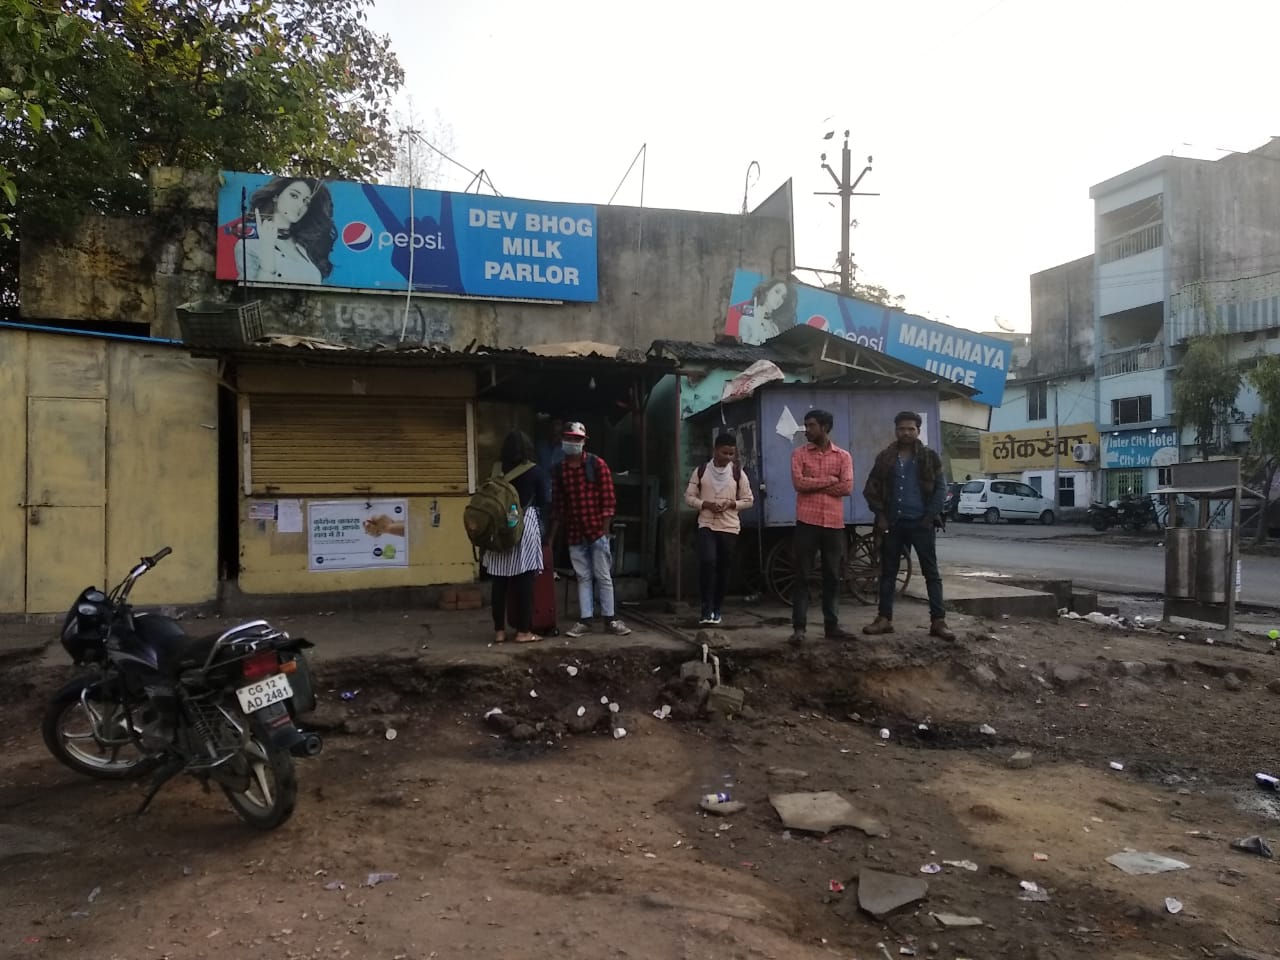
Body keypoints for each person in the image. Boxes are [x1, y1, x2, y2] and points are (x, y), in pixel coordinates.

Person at [861, 411, 956, 641]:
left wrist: (929, 516)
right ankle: (884, 619)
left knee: (931, 573)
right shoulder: (885, 458)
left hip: (921, 524)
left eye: (910, 429)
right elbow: (870, 489)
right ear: (895, 431)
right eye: (902, 428)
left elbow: (941, 490)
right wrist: (881, 515)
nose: (906, 432)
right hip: (893, 523)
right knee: (888, 573)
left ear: (918, 431)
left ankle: (938, 621)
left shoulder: (930, 457)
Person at [548, 421, 632, 638]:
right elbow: (558, 506)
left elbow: (608, 501)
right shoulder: (559, 471)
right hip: (575, 533)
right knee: (583, 577)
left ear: (584, 442)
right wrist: (552, 538)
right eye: (569, 439)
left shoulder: (597, 465)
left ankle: (610, 618)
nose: (572, 443)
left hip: (597, 531)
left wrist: (604, 532)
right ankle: (586, 619)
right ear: (562, 441)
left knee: (603, 576)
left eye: (576, 440)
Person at [788, 409, 854, 645]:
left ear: (825, 427)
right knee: (802, 576)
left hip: (834, 525)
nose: (806, 430)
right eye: (806, 425)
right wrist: (829, 481)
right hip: (807, 522)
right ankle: (799, 629)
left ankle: (832, 626)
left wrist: (814, 484)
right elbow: (798, 484)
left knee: (833, 576)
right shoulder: (799, 454)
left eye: (811, 425)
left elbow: (846, 488)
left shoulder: (843, 456)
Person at [483, 430, 549, 645]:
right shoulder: (536, 472)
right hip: (524, 526)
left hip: (499, 529)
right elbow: (544, 501)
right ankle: (523, 631)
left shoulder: (496, 471)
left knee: (499, 583)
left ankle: (499, 632)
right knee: (524, 583)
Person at [684, 434, 754, 626]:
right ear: (715, 450)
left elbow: (749, 500)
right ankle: (705, 609)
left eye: (732, 453)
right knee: (707, 562)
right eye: (724, 452)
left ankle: (717, 609)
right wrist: (704, 504)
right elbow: (688, 497)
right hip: (706, 523)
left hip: (730, 527)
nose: (728, 457)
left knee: (724, 568)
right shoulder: (701, 471)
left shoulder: (738, 473)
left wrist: (732, 504)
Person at [231, 177, 336, 284]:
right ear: (276, 196)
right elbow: (253, 293)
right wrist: (267, 249)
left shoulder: (305, 247)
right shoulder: (248, 246)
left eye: (306, 202)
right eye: (294, 196)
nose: (300, 205)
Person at [724, 278, 798, 345]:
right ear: (767, 291)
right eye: (777, 292)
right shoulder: (747, 319)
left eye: (783, 297)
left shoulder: (775, 327)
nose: (779, 298)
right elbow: (744, 349)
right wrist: (756, 328)